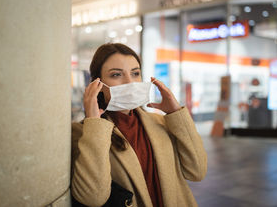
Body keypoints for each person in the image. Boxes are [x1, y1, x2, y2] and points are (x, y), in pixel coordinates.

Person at [71, 43, 207, 207]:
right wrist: (94, 122)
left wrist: (176, 113)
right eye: (116, 75)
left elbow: (197, 171)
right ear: (97, 85)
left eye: (135, 73)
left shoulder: (161, 122)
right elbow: (92, 197)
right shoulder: (82, 133)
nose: (130, 82)